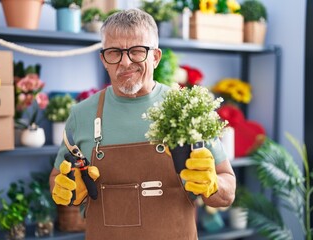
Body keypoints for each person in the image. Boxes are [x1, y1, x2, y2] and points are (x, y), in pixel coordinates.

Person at [49, 8, 236, 240]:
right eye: (114, 52)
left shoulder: (187, 110)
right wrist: (66, 187)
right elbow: (56, 177)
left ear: (156, 57)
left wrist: (213, 184)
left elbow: (228, 190)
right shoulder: (81, 114)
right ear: (103, 60)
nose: (125, 62)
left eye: (137, 51)